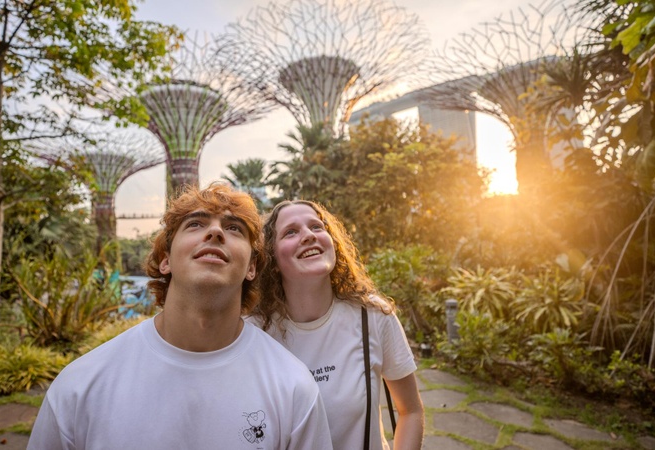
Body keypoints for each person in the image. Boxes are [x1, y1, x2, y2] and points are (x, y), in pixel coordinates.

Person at [29, 184, 333, 450]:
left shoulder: (293, 387)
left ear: (251, 267)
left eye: (233, 228)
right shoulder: (80, 387)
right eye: (196, 224)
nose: (215, 232)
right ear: (165, 260)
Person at [249, 200, 424, 450]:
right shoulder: (253, 332)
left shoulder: (372, 315)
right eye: (291, 232)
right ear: (272, 258)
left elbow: (410, 410)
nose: (309, 235)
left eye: (317, 227)